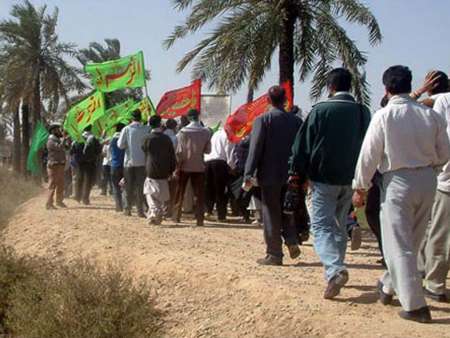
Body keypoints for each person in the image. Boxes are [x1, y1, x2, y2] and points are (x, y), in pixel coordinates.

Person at [352, 65, 450, 323]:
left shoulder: (384, 116)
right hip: (428, 179)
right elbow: (444, 153)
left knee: (398, 244)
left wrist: (360, 187)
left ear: (386, 88)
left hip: (398, 181)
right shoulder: (431, 115)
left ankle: (415, 305)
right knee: (414, 241)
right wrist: (431, 167)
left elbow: (369, 156)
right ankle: (388, 286)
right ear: (409, 84)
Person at [289, 68, 371, 298]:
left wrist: (297, 174)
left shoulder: (321, 110)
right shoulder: (363, 112)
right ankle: (335, 268)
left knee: (321, 226)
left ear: (330, 87)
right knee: (338, 224)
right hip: (351, 179)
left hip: (323, 178)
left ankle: (335, 269)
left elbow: (302, 146)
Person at [244, 85, 302, 266]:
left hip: (269, 175)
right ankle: (291, 240)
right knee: (286, 209)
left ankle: (274, 253)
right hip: (291, 174)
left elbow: (255, 149)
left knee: (271, 212)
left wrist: (248, 173)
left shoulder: (263, 120)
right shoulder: (296, 122)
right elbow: (301, 149)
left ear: (268, 101)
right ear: (285, 101)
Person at [418, 73, 450, 303]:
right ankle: (423, 270)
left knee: (436, 231)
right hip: (440, 176)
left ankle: (434, 283)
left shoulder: (442, 102)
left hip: (443, 177)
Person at [173, 109, 211, 227]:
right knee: (199, 194)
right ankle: (200, 219)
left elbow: (179, 151)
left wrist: (177, 166)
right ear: (198, 116)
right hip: (199, 166)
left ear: (189, 118)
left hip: (184, 166)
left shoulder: (183, 132)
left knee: (180, 192)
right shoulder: (206, 132)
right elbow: (208, 150)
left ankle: (176, 216)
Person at [142, 116, 177, 225]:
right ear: (160, 124)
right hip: (164, 170)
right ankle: (155, 213)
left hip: (151, 168)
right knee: (160, 194)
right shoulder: (166, 139)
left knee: (149, 192)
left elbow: (144, 150)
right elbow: (172, 155)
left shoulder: (147, 138)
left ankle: (155, 212)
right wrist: (171, 170)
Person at [118, 110, 150, 217]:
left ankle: (127, 209)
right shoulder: (146, 129)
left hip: (129, 163)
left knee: (128, 186)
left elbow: (120, 145)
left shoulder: (126, 129)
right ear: (140, 118)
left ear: (131, 118)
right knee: (140, 187)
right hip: (142, 162)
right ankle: (140, 210)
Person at [204, 128, 235, 221]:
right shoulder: (229, 135)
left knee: (209, 188)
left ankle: (207, 211)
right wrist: (232, 166)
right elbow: (229, 151)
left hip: (208, 161)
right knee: (220, 190)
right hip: (220, 163)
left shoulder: (216, 133)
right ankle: (221, 215)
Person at [75, 125, 102, 205]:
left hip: (80, 162)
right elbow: (98, 150)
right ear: (91, 129)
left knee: (79, 178)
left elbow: (73, 150)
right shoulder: (93, 138)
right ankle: (85, 199)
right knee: (88, 180)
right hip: (90, 162)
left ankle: (77, 196)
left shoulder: (78, 138)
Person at [46, 124, 68, 210]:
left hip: (60, 164)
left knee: (61, 184)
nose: (60, 131)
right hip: (53, 165)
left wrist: (65, 140)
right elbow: (59, 148)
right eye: (57, 129)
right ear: (53, 131)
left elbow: (66, 148)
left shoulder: (58, 140)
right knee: (52, 184)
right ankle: (49, 203)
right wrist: (63, 140)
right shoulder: (50, 141)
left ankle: (59, 201)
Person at [110, 123, 126, 212]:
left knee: (116, 187)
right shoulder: (125, 139)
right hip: (124, 165)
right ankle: (125, 205)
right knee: (124, 186)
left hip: (114, 165)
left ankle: (118, 206)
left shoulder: (112, 140)